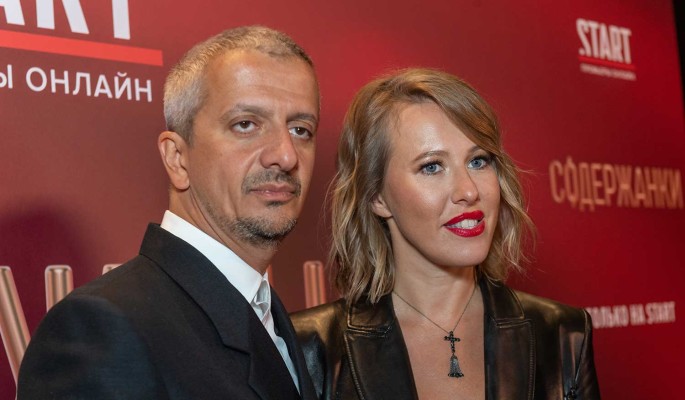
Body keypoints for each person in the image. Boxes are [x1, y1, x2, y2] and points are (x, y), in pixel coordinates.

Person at [18, 26, 320, 400]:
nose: (286, 155)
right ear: (177, 158)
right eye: (246, 125)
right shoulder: (101, 329)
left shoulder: (267, 311)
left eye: (301, 129)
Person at [291, 68, 600, 399]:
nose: (468, 191)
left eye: (478, 161)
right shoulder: (309, 348)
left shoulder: (563, 335)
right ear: (377, 197)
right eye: (432, 166)